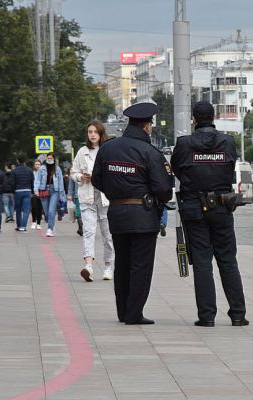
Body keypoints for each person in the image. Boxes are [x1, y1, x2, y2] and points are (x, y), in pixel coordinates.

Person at [92, 102, 173, 325]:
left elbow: (97, 179)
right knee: (141, 266)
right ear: (147, 126)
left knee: (123, 264)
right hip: (143, 216)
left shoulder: (108, 148)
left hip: (117, 212)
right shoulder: (150, 152)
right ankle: (134, 313)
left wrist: (115, 192)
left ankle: (123, 311)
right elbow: (164, 190)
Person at [171, 101, 248, 328]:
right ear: (213, 117)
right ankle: (238, 314)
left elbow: (177, 169)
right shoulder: (227, 142)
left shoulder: (184, 145)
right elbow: (231, 166)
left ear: (194, 119)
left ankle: (207, 316)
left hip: (194, 208)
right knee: (227, 259)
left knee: (203, 261)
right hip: (222, 207)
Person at [72, 120, 115, 282]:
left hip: (105, 198)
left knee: (107, 234)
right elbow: (74, 171)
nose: (92, 135)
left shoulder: (107, 150)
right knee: (89, 232)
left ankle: (108, 266)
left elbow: (112, 172)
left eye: (95, 132)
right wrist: (81, 177)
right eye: (90, 132)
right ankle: (88, 266)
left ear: (100, 133)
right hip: (87, 196)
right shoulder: (82, 151)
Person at [34, 153, 66, 237]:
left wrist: (61, 194)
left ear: (54, 159)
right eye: (48, 158)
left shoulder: (57, 168)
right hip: (44, 190)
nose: (49, 159)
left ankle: (50, 229)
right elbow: (37, 180)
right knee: (46, 212)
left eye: (51, 158)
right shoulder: (42, 168)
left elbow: (60, 182)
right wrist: (36, 190)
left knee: (51, 211)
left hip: (54, 191)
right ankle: (52, 224)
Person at [11, 156, 34, 232]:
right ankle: (23, 227)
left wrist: (13, 191)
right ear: (25, 161)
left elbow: (13, 183)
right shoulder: (30, 170)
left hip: (18, 191)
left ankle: (19, 225)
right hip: (27, 191)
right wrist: (32, 191)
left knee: (18, 210)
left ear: (17, 161)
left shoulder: (14, 171)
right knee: (26, 210)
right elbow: (32, 181)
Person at [67, 170, 83, 236]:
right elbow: (70, 186)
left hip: (84, 196)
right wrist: (69, 195)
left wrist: (70, 195)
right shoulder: (73, 175)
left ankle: (81, 229)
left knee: (80, 212)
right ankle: (81, 228)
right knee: (79, 212)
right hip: (77, 196)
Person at [30, 159, 44, 230]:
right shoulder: (32, 173)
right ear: (34, 165)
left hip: (41, 191)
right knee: (34, 206)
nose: (38, 166)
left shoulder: (43, 173)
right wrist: (34, 191)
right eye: (36, 164)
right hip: (33, 191)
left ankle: (38, 223)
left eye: (39, 164)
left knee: (40, 207)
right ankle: (33, 221)